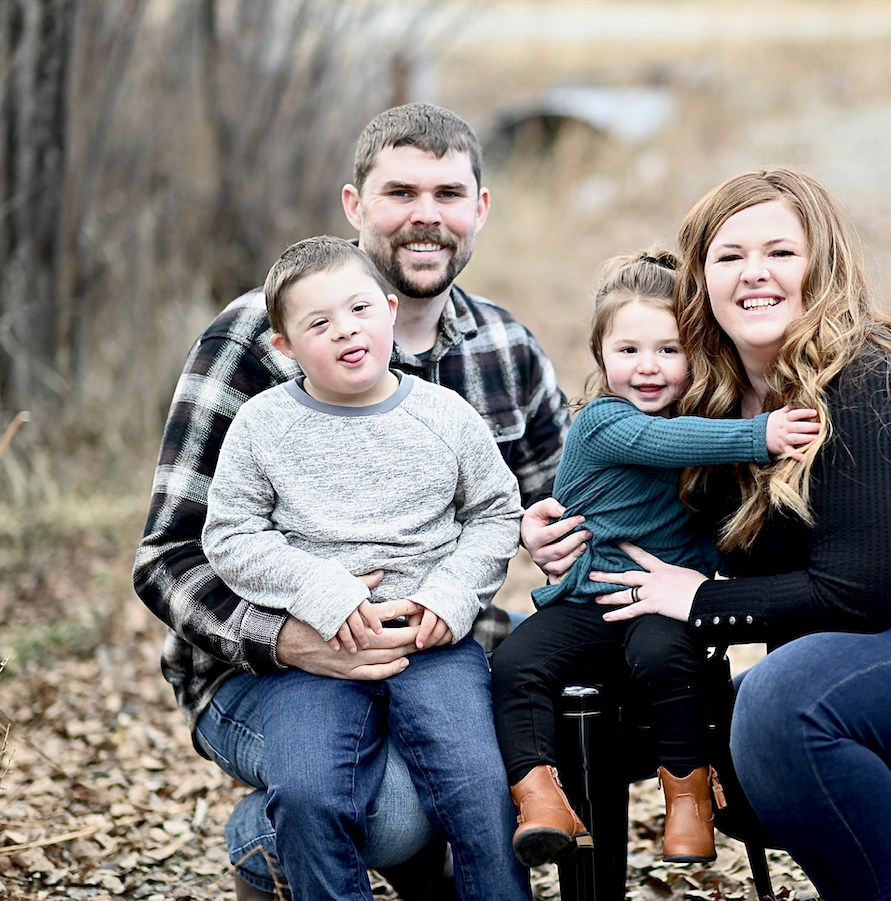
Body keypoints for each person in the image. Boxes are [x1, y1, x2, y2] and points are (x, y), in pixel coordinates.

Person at [536, 169, 891, 901]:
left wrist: (703, 602)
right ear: (699, 282)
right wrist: (559, 527)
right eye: (729, 255)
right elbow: (638, 510)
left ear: (823, 265)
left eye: (780, 251)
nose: (755, 273)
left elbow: (866, 591)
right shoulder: (713, 414)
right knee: (716, 743)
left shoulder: (878, 384)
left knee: (780, 705)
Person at [132, 102, 571, 901]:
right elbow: (169, 556)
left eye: (447, 193)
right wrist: (288, 633)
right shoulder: (255, 340)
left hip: (432, 643)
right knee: (387, 810)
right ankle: (265, 845)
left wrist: (559, 528)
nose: (426, 216)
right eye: (400, 192)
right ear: (355, 205)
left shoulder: (505, 348)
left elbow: (541, 504)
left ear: (480, 208)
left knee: (483, 768)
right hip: (261, 667)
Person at [201, 236, 529, 901]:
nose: (346, 330)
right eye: (319, 323)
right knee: (308, 791)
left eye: (357, 309)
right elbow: (230, 535)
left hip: (430, 640)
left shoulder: (443, 415)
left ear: (387, 310)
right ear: (286, 347)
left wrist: (450, 595)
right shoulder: (263, 426)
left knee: (476, 783)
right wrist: (320, 588)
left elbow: (498, 513)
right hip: (316, 648)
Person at [489, 250, 820, 869]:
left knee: (666, 657)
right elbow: (660, 442)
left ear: (696, 353)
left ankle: (689, 797)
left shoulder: (704, 426)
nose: (648, 368)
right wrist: (761, 435)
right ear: (600, 356)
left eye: (670, 350)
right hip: (589, 601)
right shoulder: (601, 424)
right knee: (515, 664)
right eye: (628, 350)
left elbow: (721, 512)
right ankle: (539, 799)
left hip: (661, 605)